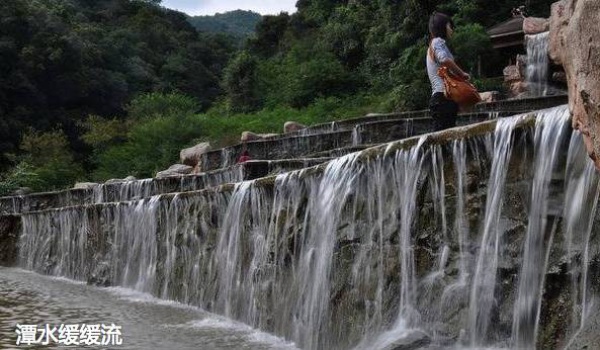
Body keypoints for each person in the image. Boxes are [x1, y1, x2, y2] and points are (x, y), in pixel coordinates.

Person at [426, 12, 471, 131]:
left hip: (441, 98)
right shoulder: (437, 41)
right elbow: (444, 59)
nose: (452, 29)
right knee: (443, 139)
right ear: (442, 27)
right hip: (443, 97)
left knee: (442, 139)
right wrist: (462, 74)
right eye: (450, 26)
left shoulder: (433, 44)